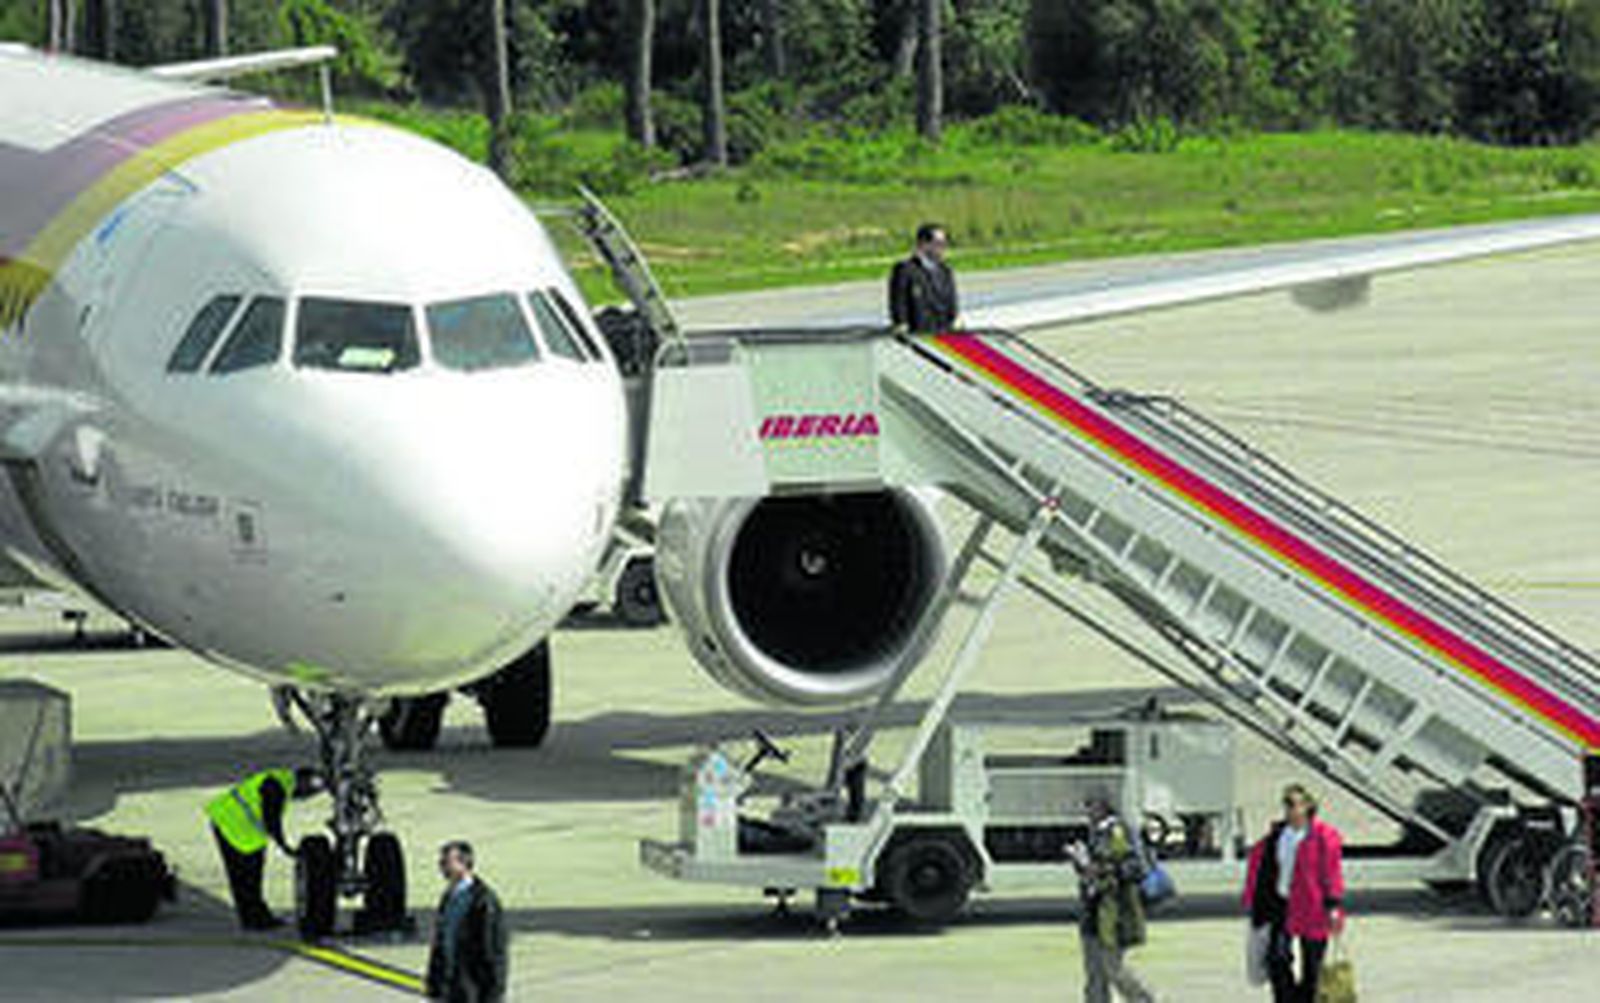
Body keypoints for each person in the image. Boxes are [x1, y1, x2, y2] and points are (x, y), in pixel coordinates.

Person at [1242, 783, 1346, 1003]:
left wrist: (1334, 905)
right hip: (1282, 906)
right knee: (1276, 959)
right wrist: (1252, 898)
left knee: (1312, 968)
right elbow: (1259, 868)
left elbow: (1332, 872)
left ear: (1308, 806)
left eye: (1295, 804)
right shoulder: (1277, 836)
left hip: (1313, 908)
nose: (1290, 810)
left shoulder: (1324, 836)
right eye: (1287, 804)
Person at [205, 766, 322, 930]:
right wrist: (285, 846)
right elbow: (271, 817)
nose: (307, 796)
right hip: (231, 824)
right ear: (302, 780)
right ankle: (255, 919)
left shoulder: (281, 782)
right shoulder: (276, 785)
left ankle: (255, 917)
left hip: (238, 827)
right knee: (245, 876)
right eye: (310, 790)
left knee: (246, 877)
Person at [1067, 793, 1155, 1003]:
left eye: (1091, 807)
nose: (1087, 813)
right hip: (1093, 912)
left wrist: (1096, 868)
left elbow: (1133, 868)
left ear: (1103, 808)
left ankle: (1143, 999)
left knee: (1113, 968)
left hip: (1113, 912)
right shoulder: (1097, 833)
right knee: (1094, 974)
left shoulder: (1117, 831)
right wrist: (1081, 862)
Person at [426, 840, 508, 1003]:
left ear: (464, 864)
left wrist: (493, 994)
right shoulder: (448, 897)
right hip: (450, 987)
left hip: (472, 990)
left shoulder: (483, 902)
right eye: (441, 862)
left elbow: (493, 952)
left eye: (446, 862)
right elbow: (441, 942)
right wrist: (434, 983)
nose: (441, 867)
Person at [889, 223, 960, 334]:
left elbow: (952, 304)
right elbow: (899, 304)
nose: (943, 248)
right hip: (918, 336)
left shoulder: (946, 271)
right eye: (938, 244)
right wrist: (901, 324)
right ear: (923, 244)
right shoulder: (905, 270)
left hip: (944, 336)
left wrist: (955, 322)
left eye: (945, 244)